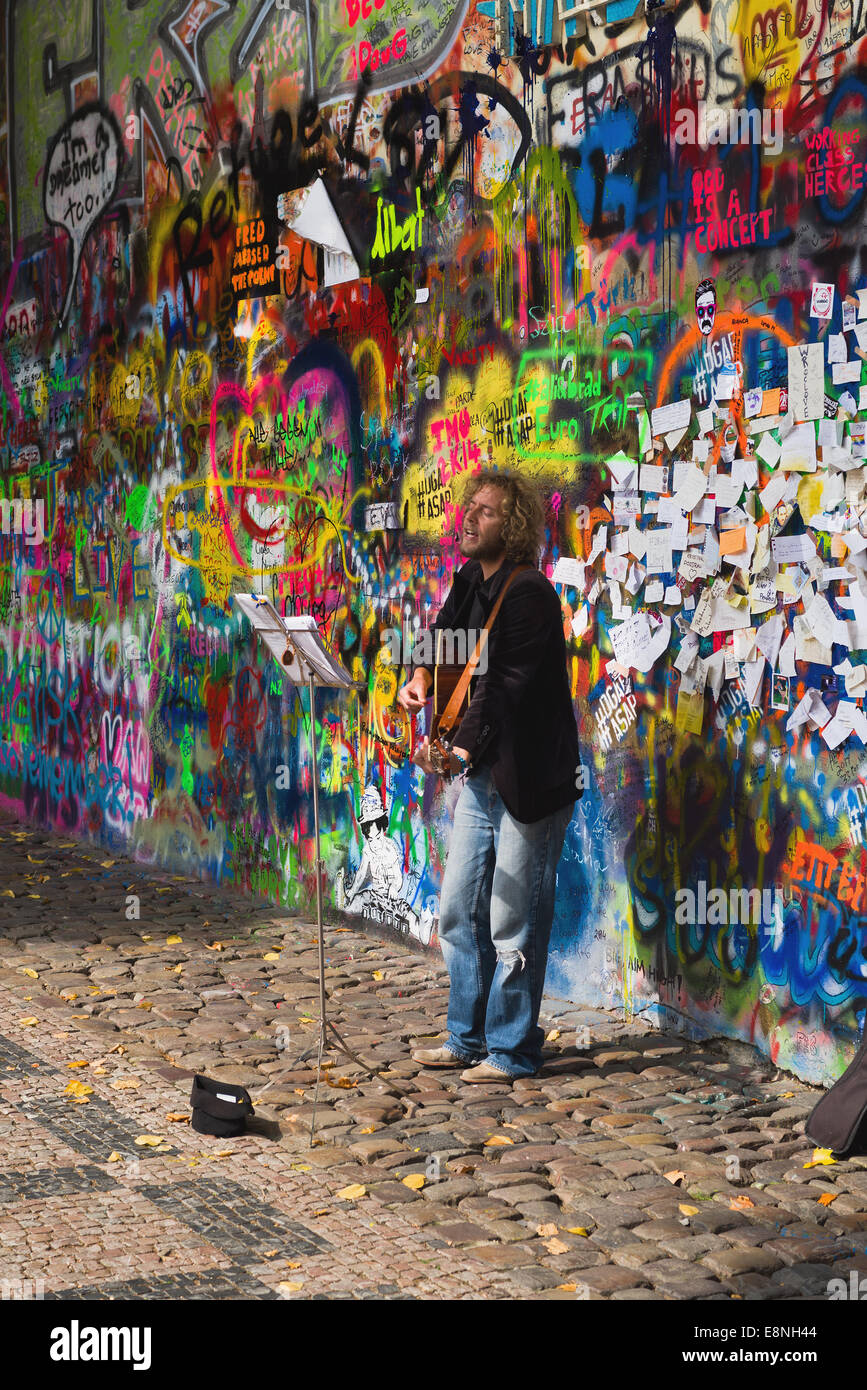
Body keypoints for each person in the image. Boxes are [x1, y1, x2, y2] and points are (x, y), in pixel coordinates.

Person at [397, 470, 580, 1081]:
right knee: (458, 910)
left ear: (516, 525)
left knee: (513, 918)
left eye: (488, 512)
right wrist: (422, 674)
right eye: (469, 508)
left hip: (529, 780)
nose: (470, 519)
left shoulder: (529, 595)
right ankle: (465, 1037)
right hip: (482, 777)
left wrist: (457, 754)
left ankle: (511, 1049)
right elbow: (445, 641)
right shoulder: (472, 579)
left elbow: (505, 690)